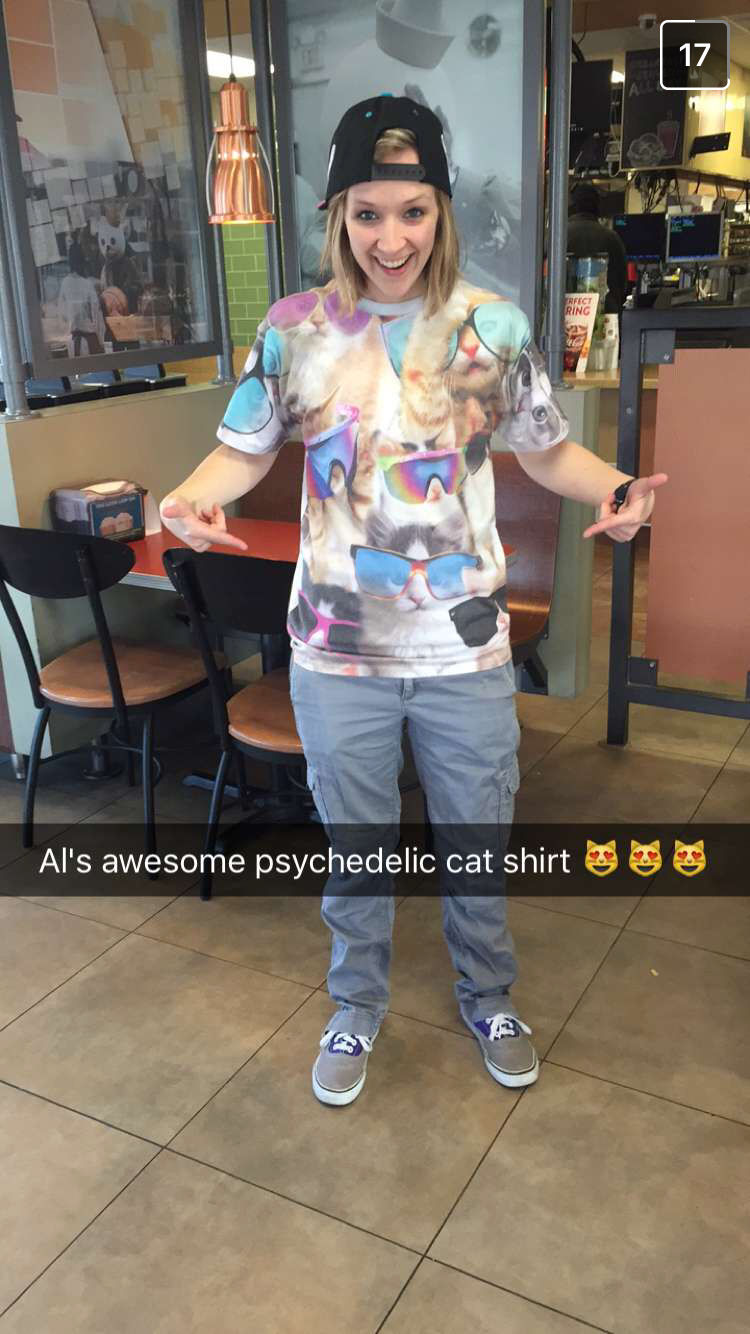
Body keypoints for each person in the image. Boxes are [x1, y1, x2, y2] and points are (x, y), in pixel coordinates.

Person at [161, 95, 666, 1107]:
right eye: (367, 214)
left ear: (440, 211)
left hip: (462, 644)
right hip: (335, 645)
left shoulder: (492, 326)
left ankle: (490, 995)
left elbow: (545, 450)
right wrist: (187, 498)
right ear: (338, 217)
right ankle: (355, 1003)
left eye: (411, 212)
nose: (390, 239)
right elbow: (242, 449)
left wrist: (615, 487)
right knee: (355, 847)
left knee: (476, 838)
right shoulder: (294, 330)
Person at [567, 181, 628, 314]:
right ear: (597, 208)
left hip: (565, 315)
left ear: (572, 206)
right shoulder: (612, 238)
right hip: (604, 315)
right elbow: (622, 284)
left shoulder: (556, 238)